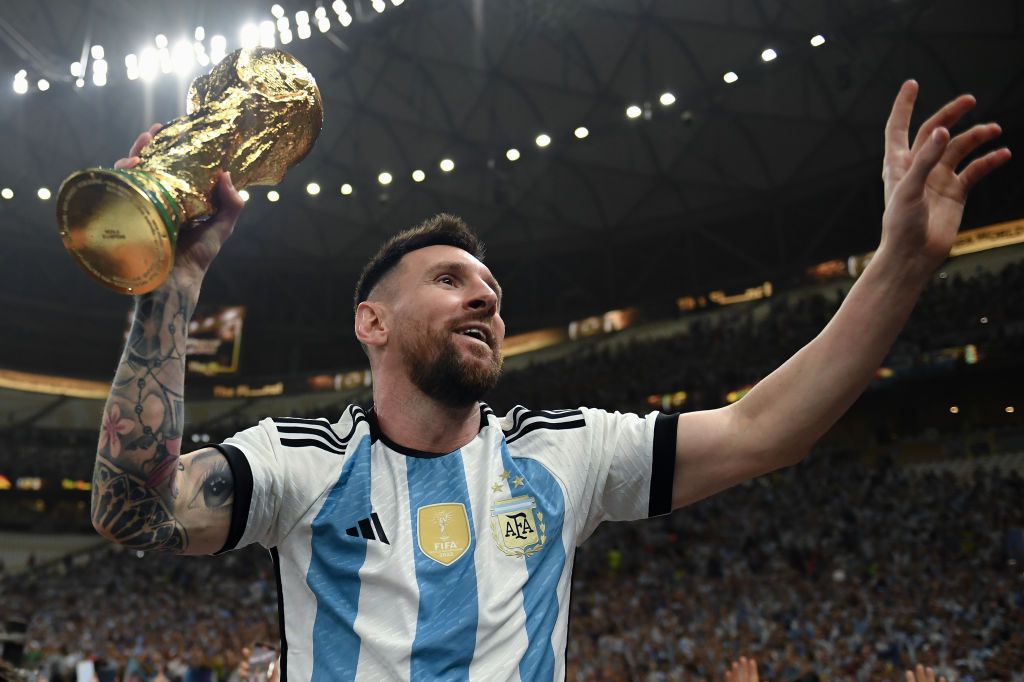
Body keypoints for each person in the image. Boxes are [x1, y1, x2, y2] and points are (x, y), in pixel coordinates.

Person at [89, 81, 1009, 680]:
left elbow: (768, 429)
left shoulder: (564, 451)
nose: (485, 300)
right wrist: (175, 282)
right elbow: (132, 510)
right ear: (371, 321)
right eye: (451, 281)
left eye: (493, 291)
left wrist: (898, 267)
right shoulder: (301, 461)